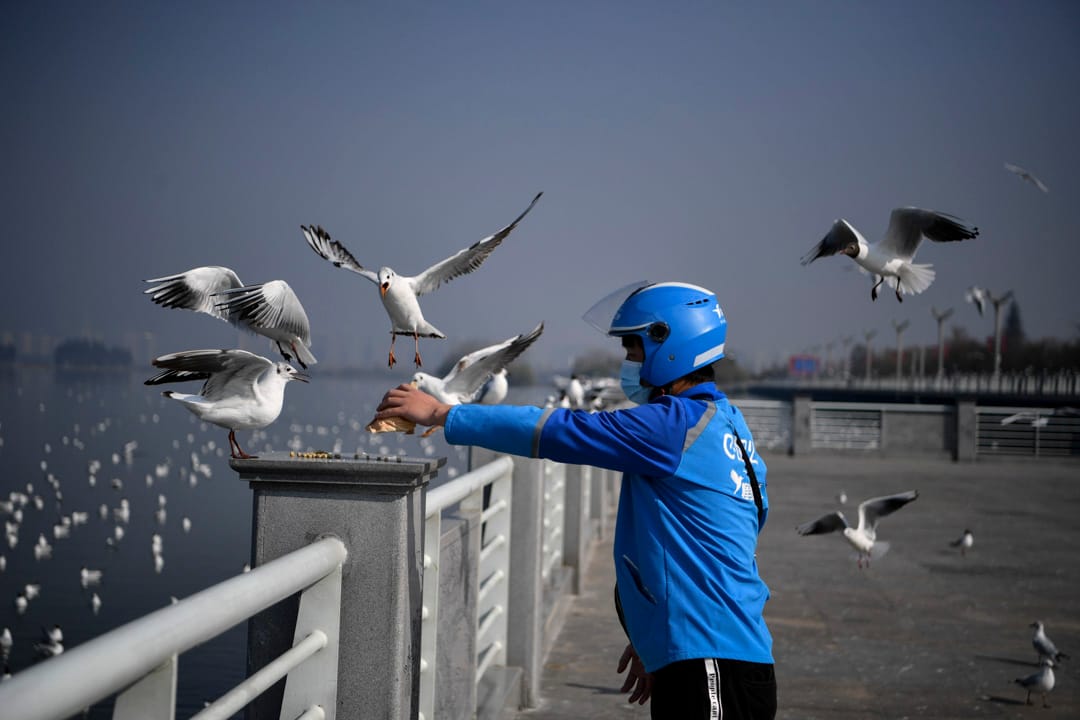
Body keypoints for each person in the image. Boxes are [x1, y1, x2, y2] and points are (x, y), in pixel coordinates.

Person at [375, 281, 777, 719]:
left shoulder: (674, 426)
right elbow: (723, 538)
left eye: (634, 350)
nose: (628, 362)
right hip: (721, 657)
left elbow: (564, 431)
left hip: (712, 668)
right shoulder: (729, 427)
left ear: (670, 345)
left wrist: (443, 414)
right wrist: (661, 639)